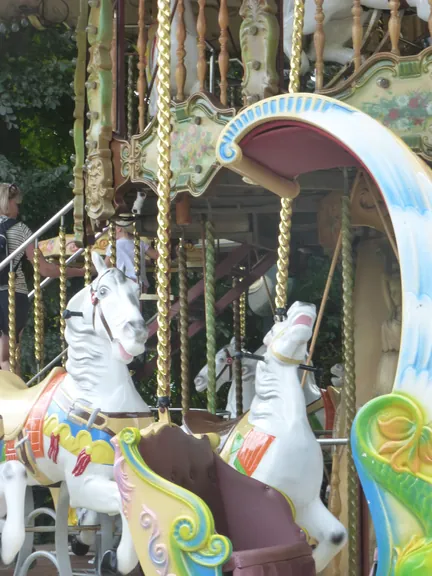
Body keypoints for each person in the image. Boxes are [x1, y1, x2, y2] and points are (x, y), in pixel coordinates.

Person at [0, 183, 85, 371]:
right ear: (7, 203)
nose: (18, 208)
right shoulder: (19, 229)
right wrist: (81, 271)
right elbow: (45, 270)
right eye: (16, 204)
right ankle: (15, 398)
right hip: (13, 294)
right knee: (7, 358)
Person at [105, 223, 158, 292]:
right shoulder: (140, 243)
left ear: (118, 229)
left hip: (123, 282)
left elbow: (105, 266)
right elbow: (156, 255)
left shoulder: (113, 246)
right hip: (139, 282)